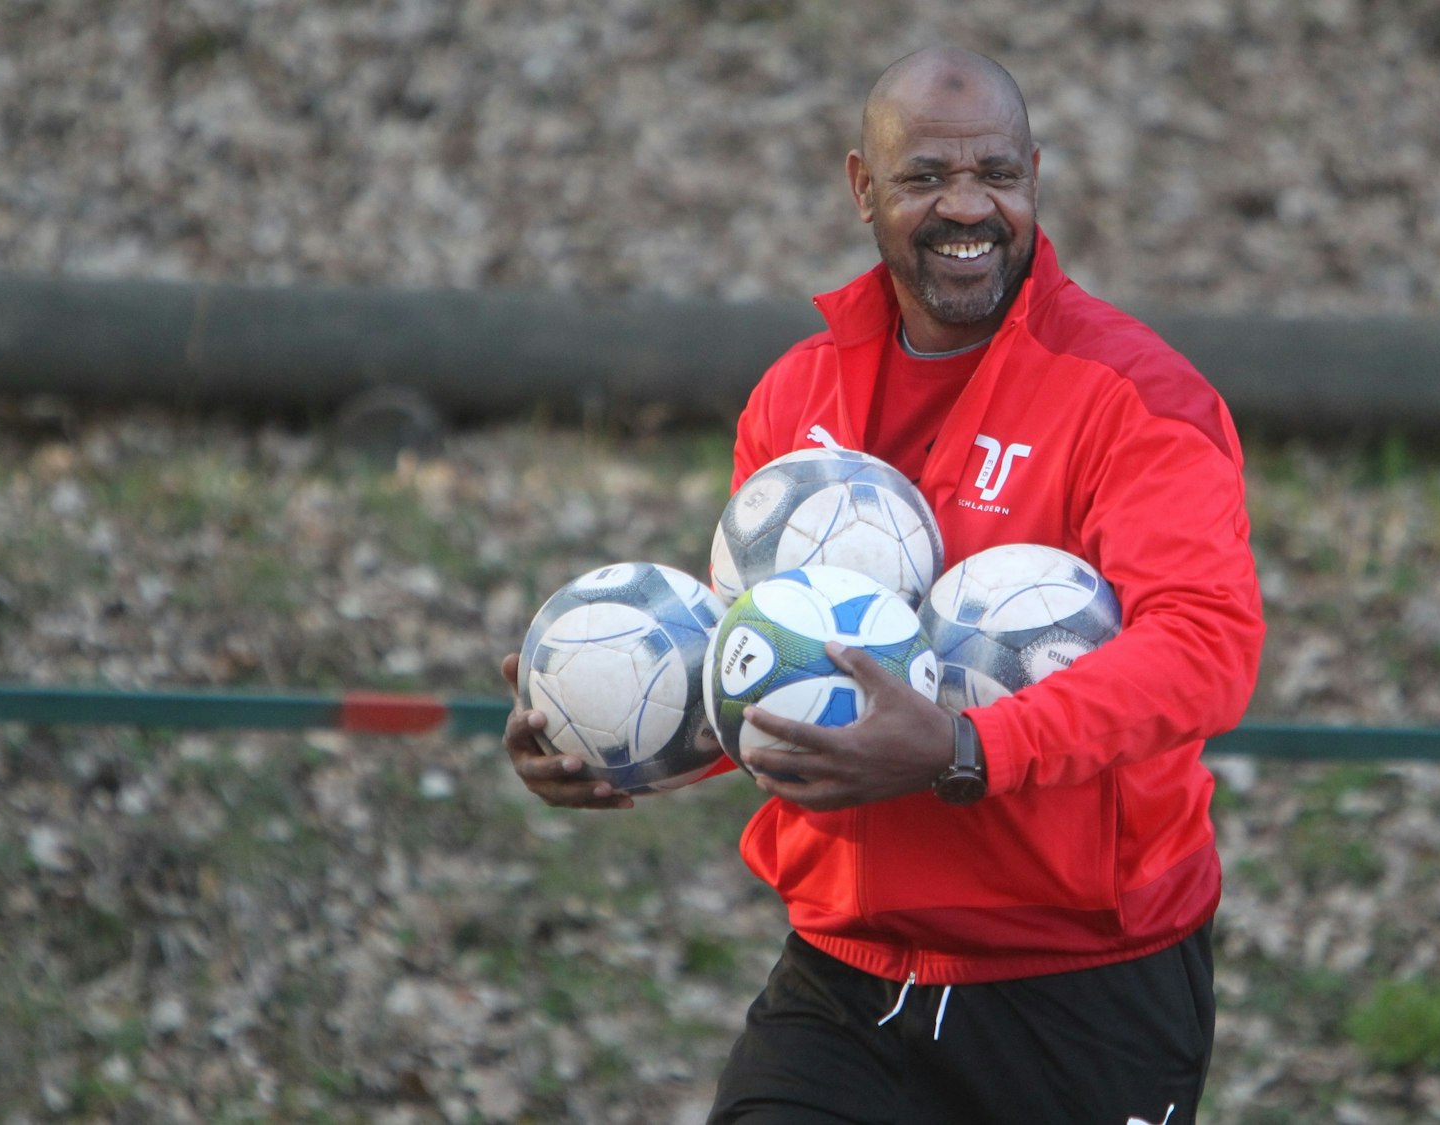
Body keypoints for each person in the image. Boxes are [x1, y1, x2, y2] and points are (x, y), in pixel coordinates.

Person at [501, 46, 1264, 1125]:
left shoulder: (1135, 398)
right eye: (923, 179)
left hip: (1081, 985)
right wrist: (625, 732)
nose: (967, 207)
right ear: (863, 187)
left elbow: (1203, 650)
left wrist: (965, 748)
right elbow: (772, 658)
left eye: (996, 174)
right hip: (846, 978)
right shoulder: (794, 397)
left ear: (1034, 176)